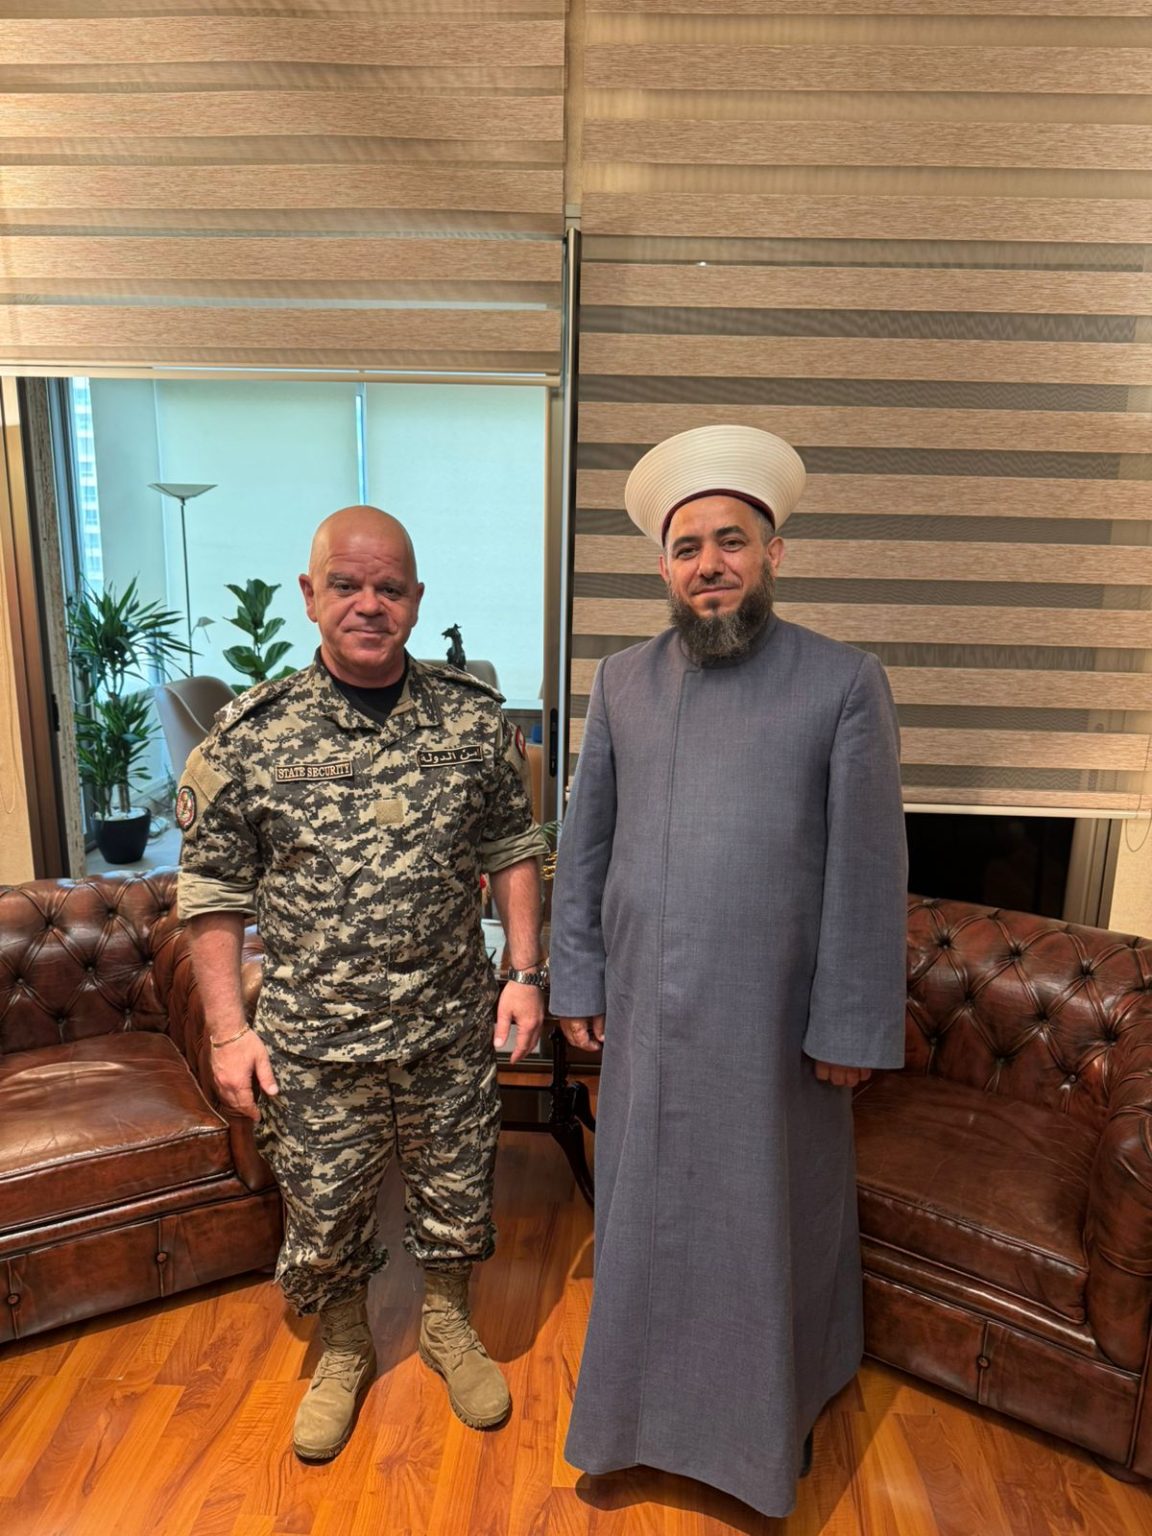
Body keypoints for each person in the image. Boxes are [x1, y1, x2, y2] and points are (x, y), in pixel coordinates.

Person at [549, 424, 908, 1518]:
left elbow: (867, 869)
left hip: (773, 1026)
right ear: (663, 568)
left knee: (765, 1223)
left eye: (732, 541)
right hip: (647, 1022)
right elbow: (586, 847)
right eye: (687, 547)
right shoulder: (621, 682)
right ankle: (629, 1422)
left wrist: (849, 1026)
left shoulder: (843, 682)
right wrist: (578, 981)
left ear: (773, 553)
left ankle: (761, 1433)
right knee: (647, 1220)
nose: (709, 564)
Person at [176, 505, 547, 1462]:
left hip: (447, 1023)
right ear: (311, 595)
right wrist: (227, 1031)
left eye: (389, 587)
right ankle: (343, 1343)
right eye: (346, 585)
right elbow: (212, 892)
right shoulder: (251, 734)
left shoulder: (472, 720)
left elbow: (513, 847)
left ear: (416, 600)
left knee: (459, 1189)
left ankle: (447, 1323)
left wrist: (524, 973)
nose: (368, 604)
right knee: (324, 1205)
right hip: (314, 1039)